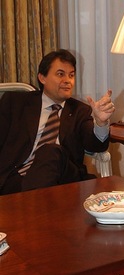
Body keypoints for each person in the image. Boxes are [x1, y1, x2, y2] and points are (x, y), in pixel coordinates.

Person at [0, 49, 115, 195]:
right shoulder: (15, 103)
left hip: (63, 179)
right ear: (42, 78)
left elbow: (96, 145)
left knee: (50, 150)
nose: (68, 80)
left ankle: (31, 210)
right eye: (60, 74)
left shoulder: (81, 111)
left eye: (71, 75)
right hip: (14, 178)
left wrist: (100, 123)